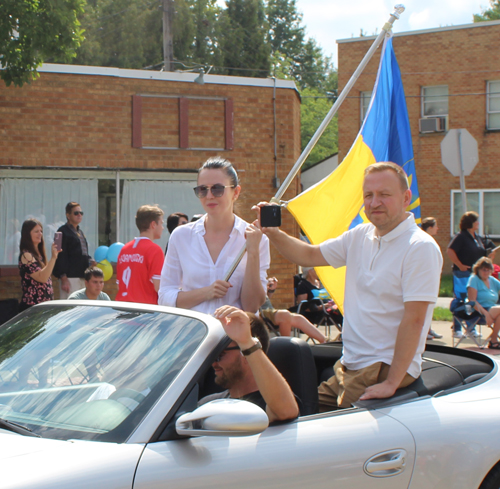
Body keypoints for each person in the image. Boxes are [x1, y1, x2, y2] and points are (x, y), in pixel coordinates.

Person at [255, 162, 443, 410]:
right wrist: (273, 232)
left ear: (406, 197)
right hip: (348, 365)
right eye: (368, 195)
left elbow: (415, 321)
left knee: (318, 434)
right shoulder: (360, 235)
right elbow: (309, 256)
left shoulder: (420, 247)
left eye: (384, 195)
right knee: (292, 414)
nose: (374, 202)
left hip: (380, 369)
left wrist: (391, 383)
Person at [158, 157, 270, 315]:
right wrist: (206, 292)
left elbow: (251, 307)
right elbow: (165, 297)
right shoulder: (181, 236)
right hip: (195, 334)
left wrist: (252, 252)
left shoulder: (256, 238)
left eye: (217, 189)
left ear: (235, 192)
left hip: (233, 336)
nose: (209, 196)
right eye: (202, 190)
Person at [198, 306, 299, 423]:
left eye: (220, 355)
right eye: (212, 355)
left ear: (245, 353)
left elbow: (285, 411)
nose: (214, 363)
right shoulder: (208, 405)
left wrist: (246, 342)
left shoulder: (268, 405)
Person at [447, 211, 496, 338]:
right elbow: (450, 251)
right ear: (470, 223)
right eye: (476, 221)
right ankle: (457, 329)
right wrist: (460, 265)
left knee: (473, 301)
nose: (478, 223)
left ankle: (471, 328)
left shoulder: (477, 238)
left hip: (475, 274)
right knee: (462, 299)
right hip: (462, 274)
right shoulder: (461, 237)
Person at [116, 205, 165, 304]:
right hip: (144, 312)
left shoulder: (124, 249)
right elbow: (159, 286)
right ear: (153, 225)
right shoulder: (154, 250)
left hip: (122, 308)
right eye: (161, 223)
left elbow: (118, 285)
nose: (163, 228)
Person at [18, 219, 61, 312]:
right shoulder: (26, 255)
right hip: (32, 306)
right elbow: (42, 278)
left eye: (41, 231)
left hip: (44, 306)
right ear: (27, 234)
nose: (40, 234)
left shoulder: (39, 255)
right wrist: (53, 258)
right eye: (36, 231)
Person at [53, 202, 93, 299]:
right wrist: (63, 277)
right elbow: (58, 255)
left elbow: (81, 253)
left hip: (83, 276)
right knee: (70, 308)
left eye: (81, 213)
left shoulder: (80, 232)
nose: (79, 215)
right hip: (70, 278)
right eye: (76, 213)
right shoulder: (61, 232)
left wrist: (90, 260)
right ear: (68, 215)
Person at [467, 257, 500, 349]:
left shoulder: (492, 279)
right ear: (478, 269)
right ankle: (494, 340)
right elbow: (472, 301)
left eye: (488, 270)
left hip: (493, 309)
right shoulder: (474, 279)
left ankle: (494, 341)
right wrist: (486, 314)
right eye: (484, 270)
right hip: (477, 310)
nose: (486, 272)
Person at [421, 217, 443, 340]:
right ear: (430, 228)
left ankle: (428, 329)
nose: (437, 228)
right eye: (435, 226)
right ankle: (425, 330)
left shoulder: (428, 241)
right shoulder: (425, 243)